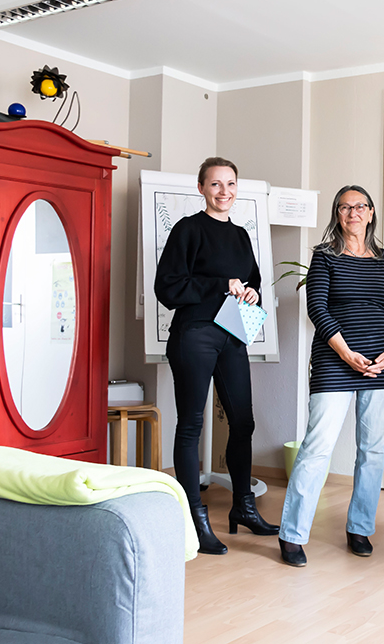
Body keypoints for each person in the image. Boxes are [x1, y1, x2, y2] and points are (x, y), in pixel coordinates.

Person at [154, 156, 278, 556]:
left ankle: (243, 507)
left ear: (237, 188)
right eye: (215, 184)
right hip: (195, 335)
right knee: (191, 425)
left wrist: (252, 291)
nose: (224, 192)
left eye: (230, 184)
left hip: (233, 333)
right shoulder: (188, 230)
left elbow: (252, 279)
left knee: (243, 421)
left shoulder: (241, 235)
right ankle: (193, 518)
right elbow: (168, 287)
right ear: (201, 188)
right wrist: (221, 285)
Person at [277, 185, 384, 567]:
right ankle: (293, 534)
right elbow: (317, 307)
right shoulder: (325, 258)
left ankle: (360, 528)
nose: (353, 212)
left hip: (381, 365)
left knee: (372, 450)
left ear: (371, 213)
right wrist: (346, 353)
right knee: (317, 447)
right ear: (337, 215)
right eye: (344, 207)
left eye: (360, 206)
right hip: (337, 361)